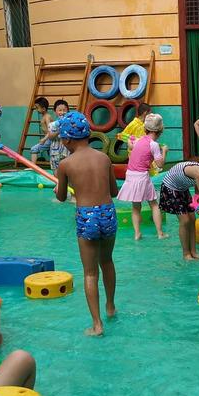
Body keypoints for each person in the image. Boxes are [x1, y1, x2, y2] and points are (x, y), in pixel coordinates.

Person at [55, 111, 118, 336]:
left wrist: (58, 188)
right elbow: (114, 191)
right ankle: (110, 307)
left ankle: (97, 324)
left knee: (90, 273)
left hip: (86, 215)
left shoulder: (66, 164)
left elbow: (62, 197)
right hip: (108, 212)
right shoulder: (104, 158)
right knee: (107, 261)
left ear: (68, 139)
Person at [117, 113, 169, 240]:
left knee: (136, 207)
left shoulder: (139, 140)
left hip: (130, 175)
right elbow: (160, 164)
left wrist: (130, 140)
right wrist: (164, 151)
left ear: (145, 129)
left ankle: (137, 234)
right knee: (154, 204)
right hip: (142, 176)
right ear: (160, 130)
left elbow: (131, 145)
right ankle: (160, 233)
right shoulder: (154, 145)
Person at [48, 99, 70, 176]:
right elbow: (50, 137)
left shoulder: (71, 123)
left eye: (64, 110)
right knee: (56, 172)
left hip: (67, 151)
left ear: (68, 111)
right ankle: (57, 185)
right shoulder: (52, 124)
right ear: (55, 112)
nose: (62, 112)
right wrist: (59, 130)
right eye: (59, 110)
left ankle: (67, 186)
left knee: (68, 170)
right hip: (55, 152)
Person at [30, 97, 53, 164]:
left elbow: (51, 130)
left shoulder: (47, 117)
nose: (36, 109)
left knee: (34, 149)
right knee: (51, 154)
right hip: (49, 138)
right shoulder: (44, 116)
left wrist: (44, 139)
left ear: (43, 109)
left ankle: (33, 166)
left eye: (37, 108)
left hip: (50, 138)